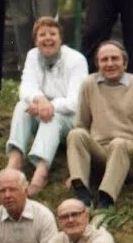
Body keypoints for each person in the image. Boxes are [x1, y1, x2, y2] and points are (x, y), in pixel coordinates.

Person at [67, 41, 133, 210]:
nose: (110, 64)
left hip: (131, 154)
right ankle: (83, 195)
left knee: (118, 143)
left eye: (115, 59)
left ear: (124, 63)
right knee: (76, 134)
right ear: (97, 65)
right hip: (101, 152)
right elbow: (81, 124)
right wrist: (76, 169)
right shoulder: (89, 84)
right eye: (104, 60)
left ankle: (105, 201)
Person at [5, 17, 88, 196]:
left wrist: (49, 106)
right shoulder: (32, 55)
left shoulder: (76, 59)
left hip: (71, 120)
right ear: (35, 40)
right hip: (43, 110)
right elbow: (26, 87)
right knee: (22, 106)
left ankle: (41, 171)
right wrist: (40, 100)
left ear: (60, 39)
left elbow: (76, 101)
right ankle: (15, 160)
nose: (47, 38)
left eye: (53, 34)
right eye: (42, 34)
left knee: (53, 116)